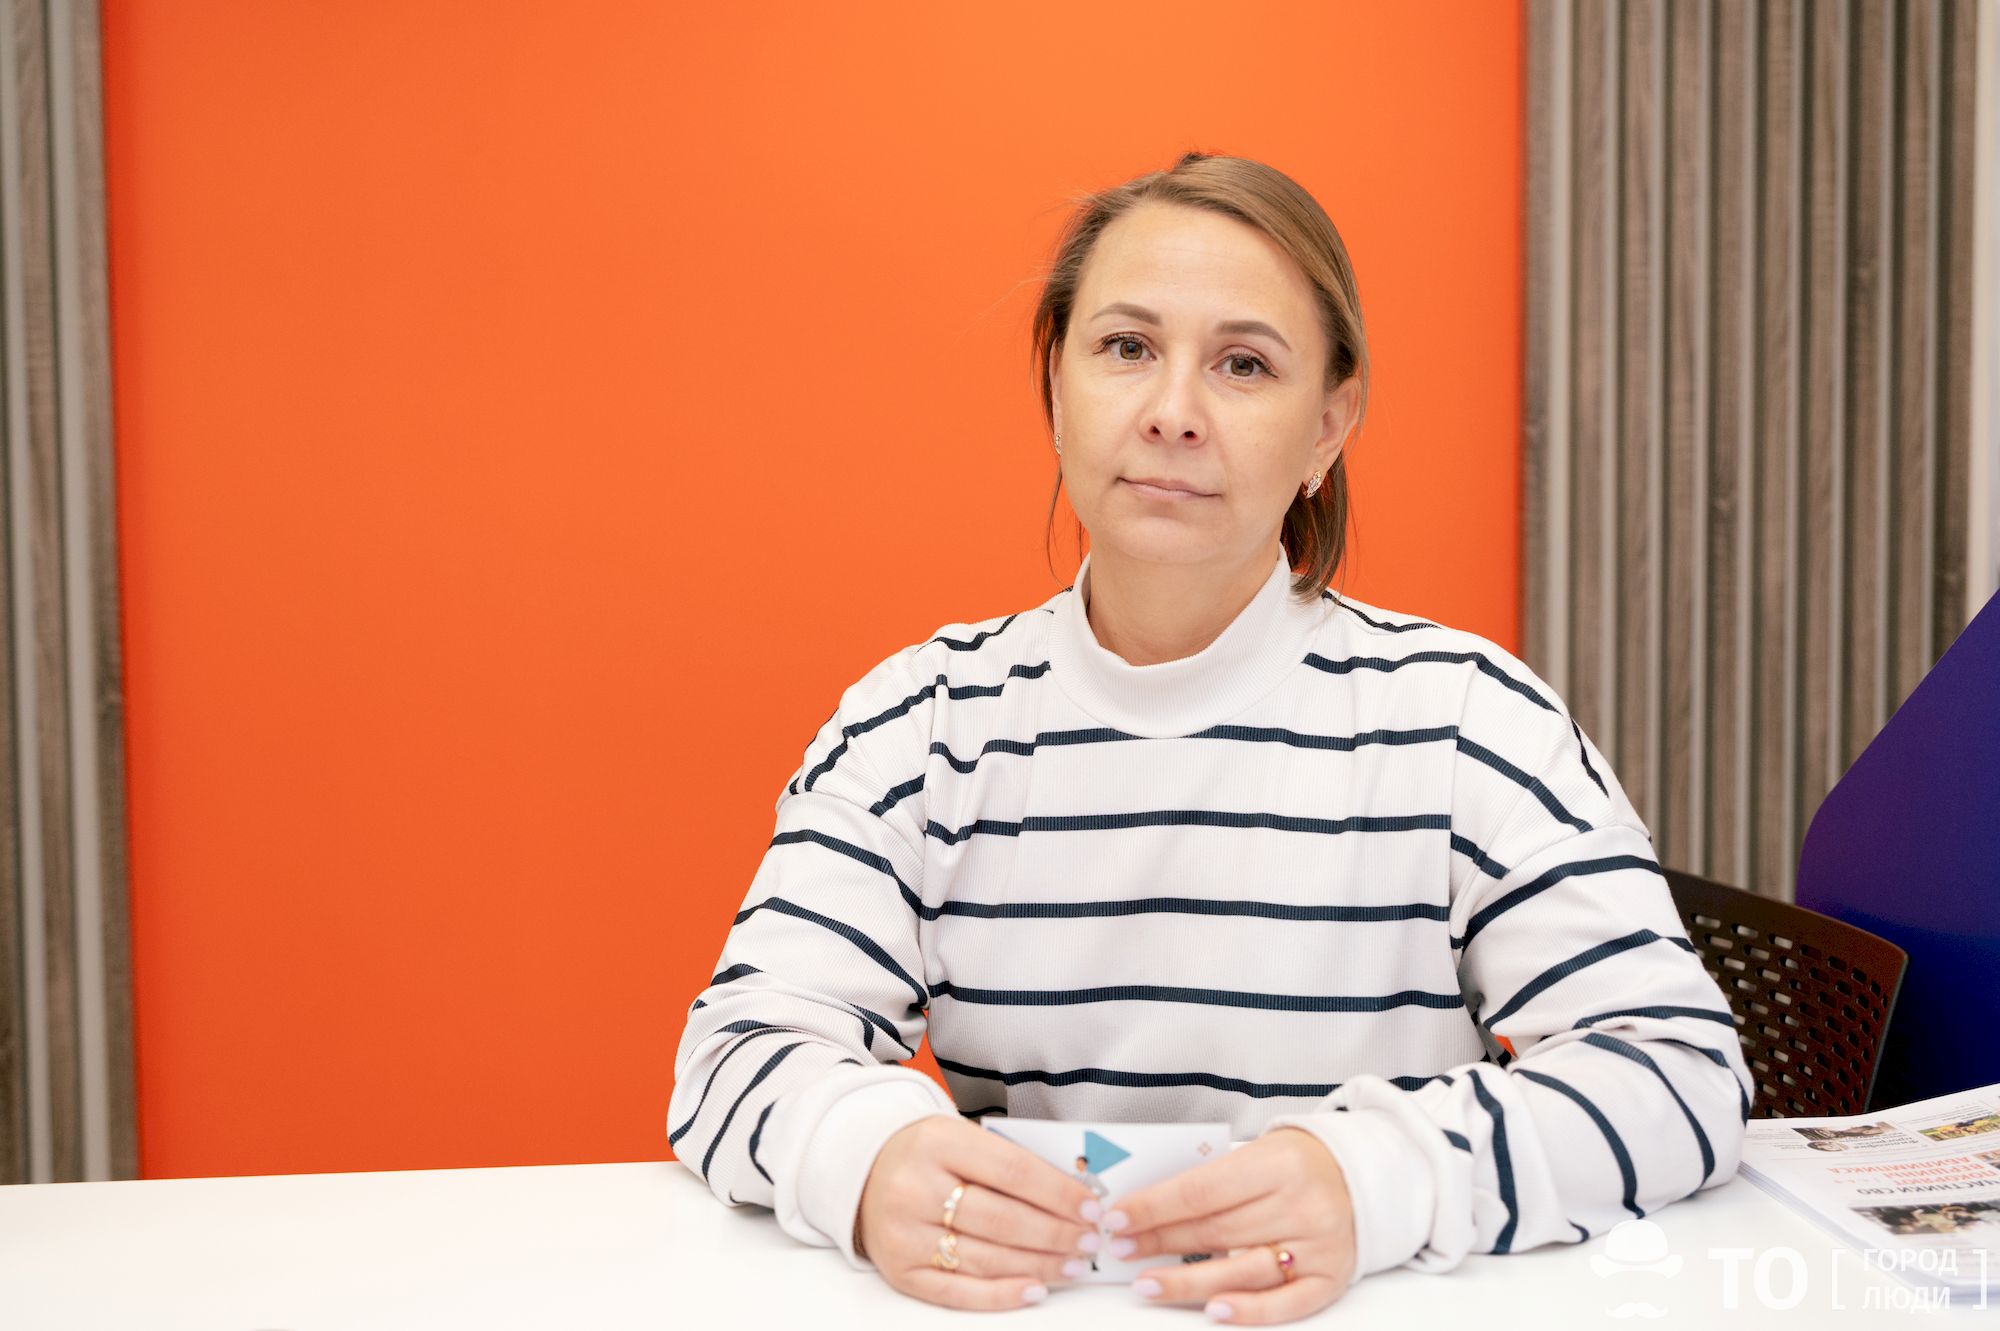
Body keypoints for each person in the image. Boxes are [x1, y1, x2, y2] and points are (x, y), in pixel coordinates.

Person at [667, 151, 1753, 1323]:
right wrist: (865, 1156)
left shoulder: (1467, 720)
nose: (1171, 412)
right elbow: (736, 1053)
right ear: (1057, 389)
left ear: (1326, 427)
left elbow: (1679, 1072)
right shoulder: (917, 724)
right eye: (1125, 346)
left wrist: (1379, 1178)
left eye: (1243, 364)